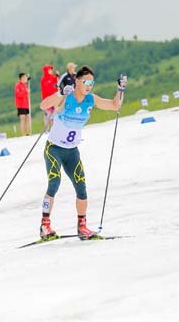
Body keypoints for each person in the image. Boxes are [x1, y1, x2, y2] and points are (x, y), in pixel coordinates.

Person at [38, 66, 127, 240]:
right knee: (54, 183)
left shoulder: (90, 99)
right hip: (54, 149)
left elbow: (115, 105)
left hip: (72, 151)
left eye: (92, 83)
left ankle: (82, 227)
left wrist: (120, 89)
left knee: (81, 188)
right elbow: (43, 105)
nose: (89, 85)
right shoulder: (66, 98)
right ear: (77, 81)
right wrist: (61, 93)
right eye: (86, 82)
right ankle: (45, 225)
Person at [40, 65, 59, 130]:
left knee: (54, 113)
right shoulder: (43, 79)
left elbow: (56, 83)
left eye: (51, 70)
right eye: (49, 69)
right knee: (48, 114)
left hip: (53, 99)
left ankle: (53, 128)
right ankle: (47, 129)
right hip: (47, 99)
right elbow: (47, 88)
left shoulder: (51, 77)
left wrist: (56, 76)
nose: (51, 71)